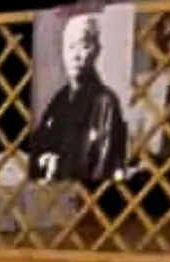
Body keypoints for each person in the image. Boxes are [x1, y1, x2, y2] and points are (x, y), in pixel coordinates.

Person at [29, 14, 129, 184]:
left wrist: (58, 165)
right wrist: (44, 160)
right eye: (70, 47)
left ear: (96, 50)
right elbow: (38, 148)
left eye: (83, 46)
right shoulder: (59, 100)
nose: (75, 55)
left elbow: (102, 166)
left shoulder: (106, 102)